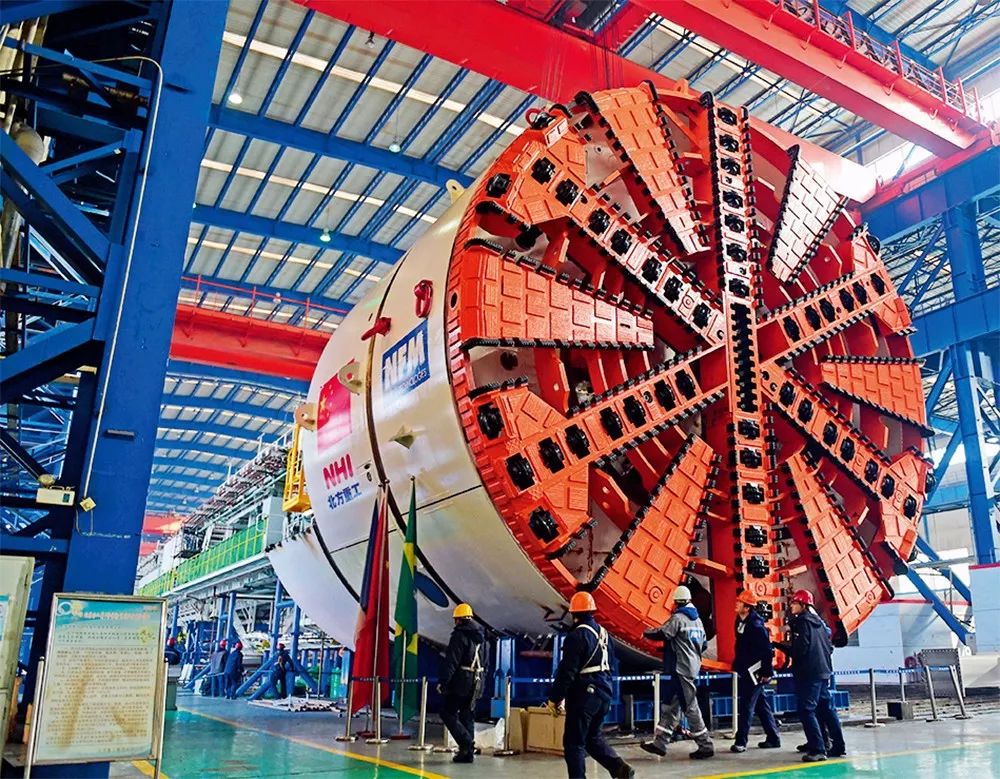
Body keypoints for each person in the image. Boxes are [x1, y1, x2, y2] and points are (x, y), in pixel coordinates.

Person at [547, 592, 634, 779]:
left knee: (574, 743)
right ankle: (620, 769)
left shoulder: (577, 636)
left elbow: (567, 671)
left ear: (574, 613)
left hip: (585, 696)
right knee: (592, 738)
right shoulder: (604, 634)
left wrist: (555, 698)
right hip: (604, 693)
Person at [640, 585, 714, 760]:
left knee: (690, 707)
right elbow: (703, 645)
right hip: (691, 667)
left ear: (677, 602)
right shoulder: (697, 621)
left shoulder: (678, 618)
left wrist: (646, 632)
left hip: (681, 669)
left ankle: (705, 745)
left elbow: (664, 633)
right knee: (671, 705)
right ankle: (660, 743)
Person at [777, 590, 845, 763]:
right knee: (826, 709)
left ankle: (817, 749)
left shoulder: (801, 623)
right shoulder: (820, 623)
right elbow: (828, 647)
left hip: (809, 673)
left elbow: (800, 650)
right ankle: (837, 745)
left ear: (803, 605)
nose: (791, 606)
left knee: (806, 710)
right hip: (823, 671)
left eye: (794, 603)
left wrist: (779, 646)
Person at [730, 591, 780, 753]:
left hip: (755, 673)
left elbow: (766, 651)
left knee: (746, 706)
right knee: (761, 705)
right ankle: (773, 738)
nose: (736, 604)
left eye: (739, 602)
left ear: (747, 607)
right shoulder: (740, 621)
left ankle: (741, 741)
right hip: (747, 670)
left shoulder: (756, 626)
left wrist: (766, 672)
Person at [438, 603, 486, 764]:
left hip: (462, 682)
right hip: (478, 681)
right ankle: (467, 753)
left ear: (458, 620)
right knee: (467, 715)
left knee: (447, 712)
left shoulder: (459, 636)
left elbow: (452, 661)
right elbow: (486, 664)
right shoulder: (483, 638)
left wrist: (443, 682)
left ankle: (466, 742)